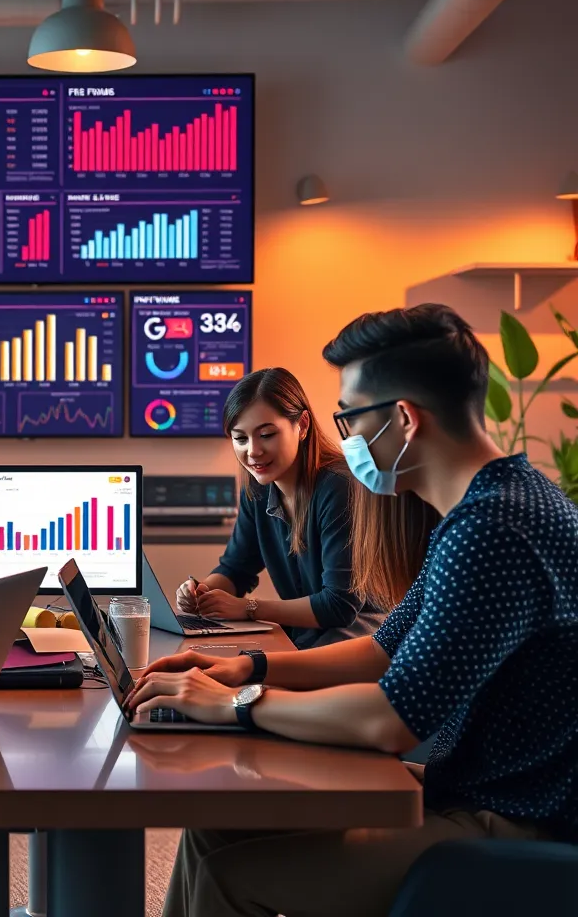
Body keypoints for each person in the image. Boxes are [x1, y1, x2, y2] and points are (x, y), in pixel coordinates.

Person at [128, 304, 578, 917]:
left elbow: (391, 721)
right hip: (476, 785)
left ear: (403, 420)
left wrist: (236, 705)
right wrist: (247, 667)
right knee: (217, 825)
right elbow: (378, 649)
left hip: (518, 819)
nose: (345, 438)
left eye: (349, 418)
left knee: (233, 876)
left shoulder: (495, 529)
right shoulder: (486, 507)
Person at [175, 367, 388, 648]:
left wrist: (248, 608)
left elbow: (339, 606)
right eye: (240, 438)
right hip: (308, 634)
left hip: (363, 638)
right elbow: (236, 570)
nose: (252, 451)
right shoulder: (258, 489)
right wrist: (202, 591)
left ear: (302, 425)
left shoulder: (340, 486)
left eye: (266, 434)